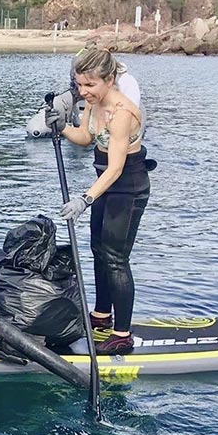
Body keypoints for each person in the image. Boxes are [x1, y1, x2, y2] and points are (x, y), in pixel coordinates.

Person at [45, 46, 152, 355]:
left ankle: (122, 334)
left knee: (116, 258)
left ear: (109, 79)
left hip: (128, 186)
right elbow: (86, 137)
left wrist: (84, 199)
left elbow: (116, 167)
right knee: (98, 250)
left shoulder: (122, 112)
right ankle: (101, 316)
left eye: (90, 85)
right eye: (80, 84)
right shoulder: (94, 103)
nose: (83, 91)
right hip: (105, 184)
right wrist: (62, 126)